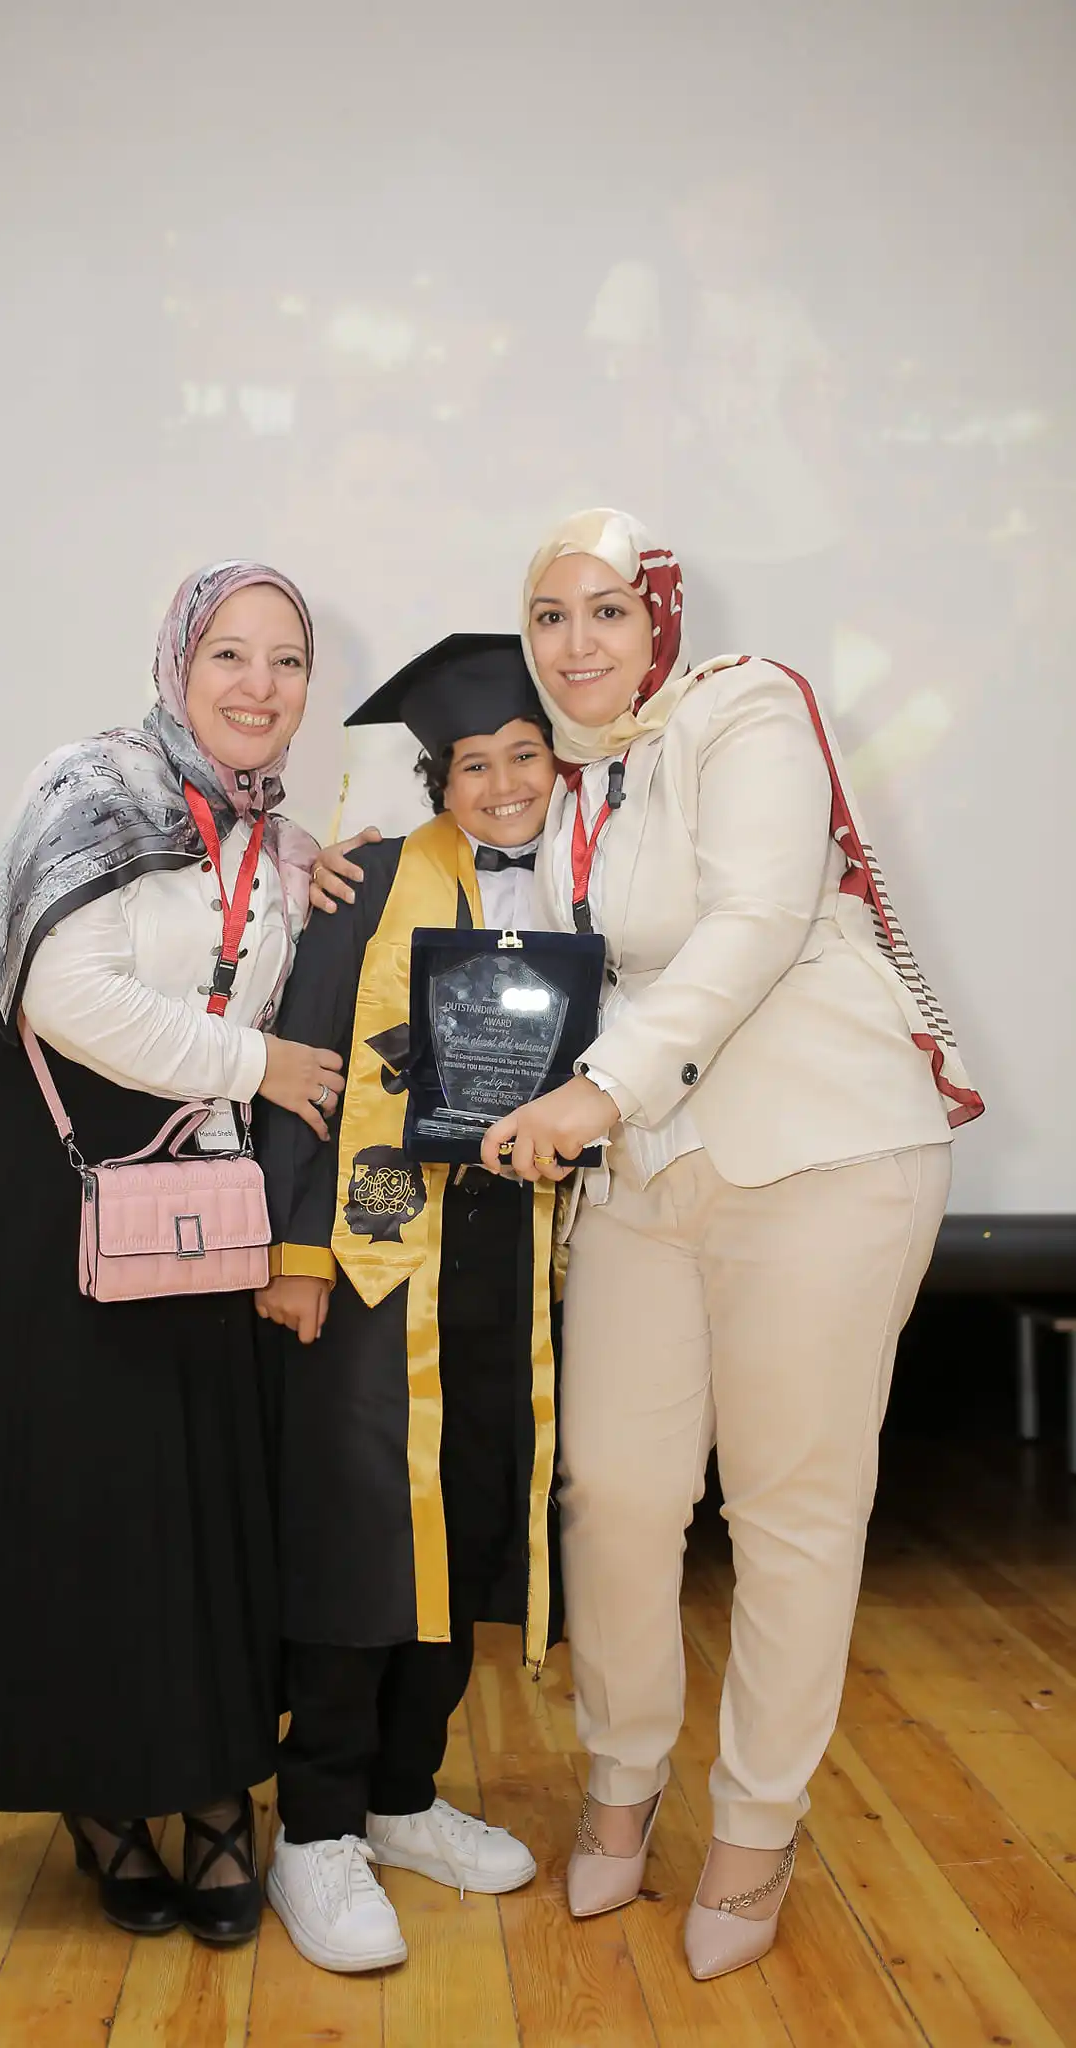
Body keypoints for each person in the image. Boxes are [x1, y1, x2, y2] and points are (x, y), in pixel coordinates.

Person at [480, 507, 981, 1980]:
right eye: (550, 616)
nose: (577, 642)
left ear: (661, 618)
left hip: (822, 1152)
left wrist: (599, 1091)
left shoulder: (743, 707)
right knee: (616, 1495)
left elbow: (756, 919)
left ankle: (758, 1827)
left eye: (607, 610)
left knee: (791, 1513)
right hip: (646, 1172)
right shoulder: (563, 778)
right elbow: (531, 943)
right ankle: (624, 1777)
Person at [0, 561, 346, 1947]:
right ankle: (98, 1797)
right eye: (228, 654)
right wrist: (258, 1064)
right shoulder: (92, 787)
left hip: (188, 1194)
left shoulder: (272, 837)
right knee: (73, 1493)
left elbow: (242, 962)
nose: (258, 685)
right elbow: (64, 991)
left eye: (285, 661)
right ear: (176, 664)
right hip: (50, 1188)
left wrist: (316, 873)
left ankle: (213, 1797)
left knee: (191, 1497)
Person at [254, 635, 560, 1973]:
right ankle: (316, 1827)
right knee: (362, 1532)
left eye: (524, 755)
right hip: (377, 1261)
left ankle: (402, 1795)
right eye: (473, 764)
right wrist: (296, 1252)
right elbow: (311, 1064)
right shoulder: (370, 881)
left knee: (466, 1522)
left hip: (510, 1265)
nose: (502, 785)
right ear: (439, 779)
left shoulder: (585, 887)